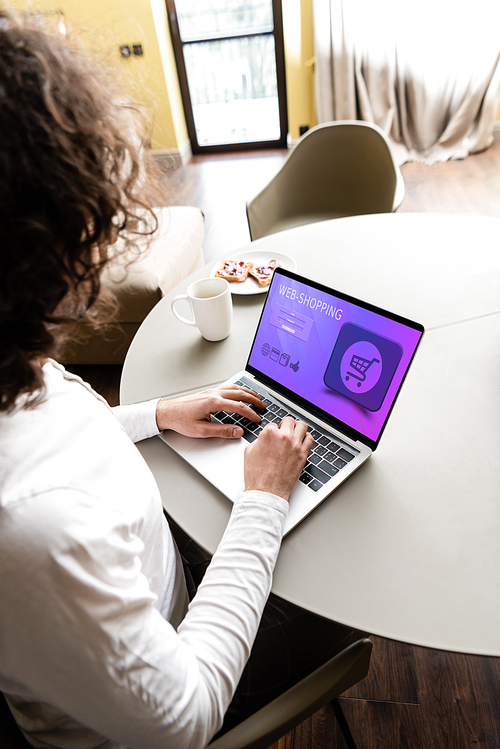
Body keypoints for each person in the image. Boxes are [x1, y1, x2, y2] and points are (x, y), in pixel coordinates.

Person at [0, 10, 362, 749]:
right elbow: (186, 719)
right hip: (177, 656)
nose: (103, 248)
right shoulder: (30, 531)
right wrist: (260, 501)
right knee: (349, 586)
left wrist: (161, 412)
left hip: (148, 582)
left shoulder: (15, 367)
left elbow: (55, 424)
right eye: (90, 226)